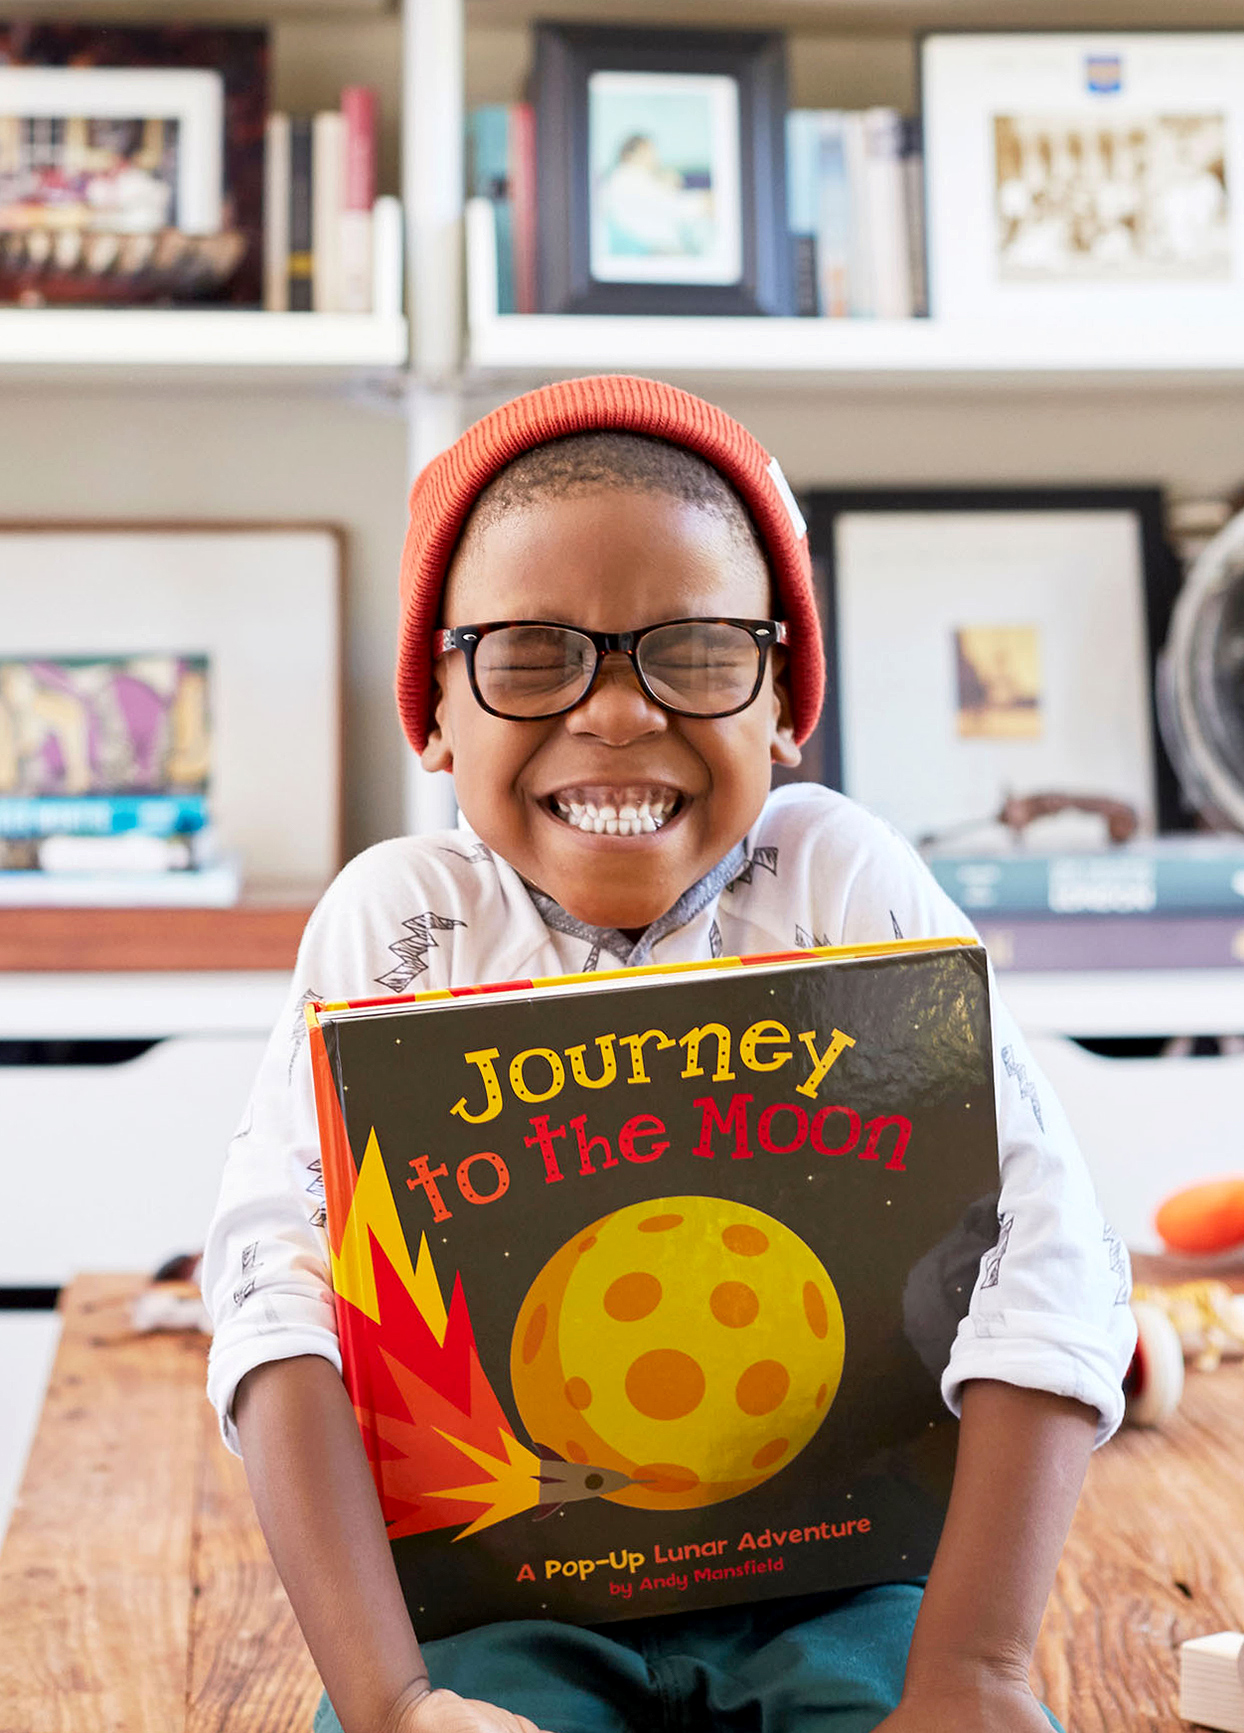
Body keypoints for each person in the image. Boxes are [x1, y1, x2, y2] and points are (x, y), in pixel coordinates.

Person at [203, 374, 1136, 1733]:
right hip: (497, 1604)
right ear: (435, 712)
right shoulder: (399, 922)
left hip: (847, 1587)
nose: (619, 713)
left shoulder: (838, 876)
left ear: (782, 705)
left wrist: (976, 1667)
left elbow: (1045, 1233)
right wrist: (398, 1700)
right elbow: (277, 1299)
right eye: (530, 654)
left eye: (697, 651)